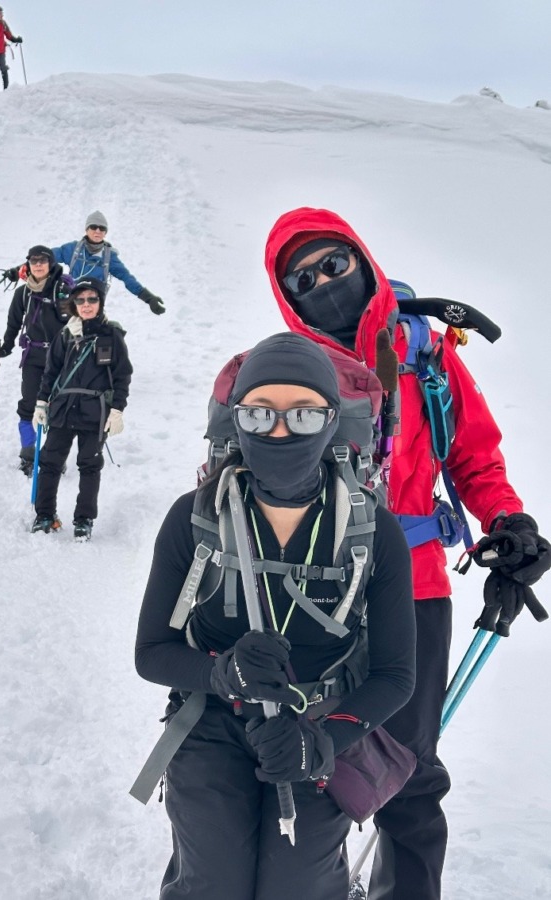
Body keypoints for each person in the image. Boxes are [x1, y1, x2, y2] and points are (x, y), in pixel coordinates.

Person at [263, 207, 551, 899]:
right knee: (308, 754)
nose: (322, 282)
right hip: (312, 595)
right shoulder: (287, 372)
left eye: (333, 263)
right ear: (284, 296)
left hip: (415, 590)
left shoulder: (423, 351)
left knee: (411, 770)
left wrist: (506, 519)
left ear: (360, 258)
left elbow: (473, 455)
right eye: (300, 278)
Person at [135, 332, 416, 900]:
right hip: (209, 723)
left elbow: (395, 674)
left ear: (332, 421)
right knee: (214, 882)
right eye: (260, 414)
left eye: (304, 415)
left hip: (319, 726)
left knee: (299, 888)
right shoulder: (193, 519)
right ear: (236, 422)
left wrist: (326, 742)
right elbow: (151, 653)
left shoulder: (374, 532)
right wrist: (220, 673)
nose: (281, 431)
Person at [30, 277, 132, 540]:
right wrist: (41, 404)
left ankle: (84, 520)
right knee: (50, 463)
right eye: (80, 300)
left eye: (92, 299)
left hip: (94, 412)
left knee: (89, 466)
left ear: (100, 302)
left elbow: (122, 376)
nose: (86, 304)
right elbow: (50, 373)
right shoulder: (65, 335)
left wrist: (117, 409)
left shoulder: (112, 335)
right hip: (63, 409)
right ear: (74, 304)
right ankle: (44, 515)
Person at [0, 245, 73, 475]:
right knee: (28, 405)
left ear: (51, 264)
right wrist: (5, 348)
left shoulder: (63, 289)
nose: (38, 264)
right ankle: (29, 454)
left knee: (59, 407)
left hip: (61, 358)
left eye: (43, 260)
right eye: (33, 261)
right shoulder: (23, 293)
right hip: (33, 357)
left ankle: (55, 456)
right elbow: (13, 324)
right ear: (28, 264)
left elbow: (76, 322)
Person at [50, 211, 166, 316]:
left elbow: (126, 277)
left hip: (94, 306)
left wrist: (148, 298)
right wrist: (33, 262)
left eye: (102, 228)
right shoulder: (73, 249)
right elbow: (47, 257)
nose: (98, 231)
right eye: (93, 227)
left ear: (105, 233)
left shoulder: (109, 256)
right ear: (86, 229)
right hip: (73, 302)